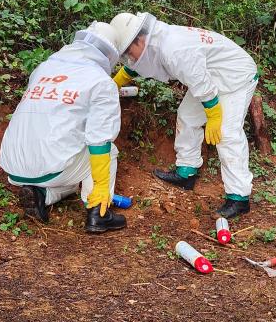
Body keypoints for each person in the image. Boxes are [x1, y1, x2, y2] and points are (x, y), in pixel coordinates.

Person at [110, 12, 258, 218]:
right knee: (187, 117)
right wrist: (115, 82)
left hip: (235, 76)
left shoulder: (174, 49)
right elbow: (142, 64)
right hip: (209, 76)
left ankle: (238, 198)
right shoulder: (155, 42)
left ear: (139, 39)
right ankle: (186, 172)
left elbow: (200, 82)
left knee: (227, 133)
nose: (129, 56)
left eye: (128, 51)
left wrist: (214, 116)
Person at [0, 22, 126, 233]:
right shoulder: (101, 82)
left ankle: (41, 195)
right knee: (108, 151)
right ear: (108, 54)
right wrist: (102, 186)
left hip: (14, 167)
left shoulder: (45, 68)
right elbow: (99, 139)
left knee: (69, 176)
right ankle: (97, 212)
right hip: (52, 165)